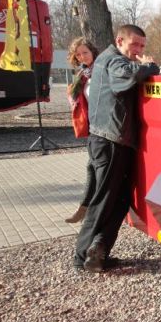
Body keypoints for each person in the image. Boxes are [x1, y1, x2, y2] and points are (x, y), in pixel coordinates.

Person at [73, 25, 159, 272]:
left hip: (114, 141)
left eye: (143, 46)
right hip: (109, 142)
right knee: (104, 200)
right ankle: (81, 256)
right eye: (135, 45)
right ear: (120, 40)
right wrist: (150, 66)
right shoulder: (113, 60)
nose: (140, 50)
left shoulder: (108, 59)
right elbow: (128, 76)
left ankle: (98, 251)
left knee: (121, 200)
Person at [65, 37, 100, 224]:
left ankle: (85, 209)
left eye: (85, 52)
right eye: (78, 55)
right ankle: (85, 208)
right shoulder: (83, 74)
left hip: (104, 128)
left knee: (94, 168)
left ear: (93, 51)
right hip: (93, 127)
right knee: (91, 167)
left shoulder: (101, 70)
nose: (82, 57)